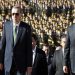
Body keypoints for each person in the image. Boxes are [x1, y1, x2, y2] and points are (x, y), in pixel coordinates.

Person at [0, 5, 32, 75]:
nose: (14, 16)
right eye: (13, 14)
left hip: (20, 65)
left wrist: (29, 65)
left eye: (17, 14)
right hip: (8, 64)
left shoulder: (26, 28)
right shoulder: (6, 26)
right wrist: (0, 61)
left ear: (21, 15)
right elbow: (2, 45)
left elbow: (29, 48)